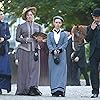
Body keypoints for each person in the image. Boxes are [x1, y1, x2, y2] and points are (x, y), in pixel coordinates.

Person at [16, 6, 43, 96]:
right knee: (24, 70)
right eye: (27, 15)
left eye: (31, 15)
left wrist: (39, 39)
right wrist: (26, 39)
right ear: (25, 16)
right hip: (24, 50)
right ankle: (23, 89)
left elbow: (42, 38)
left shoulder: (38, 26)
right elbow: (17, 38)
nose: (29, 16)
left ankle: (33, 88)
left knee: (35, 70)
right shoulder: (21, 26)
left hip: (35, 50)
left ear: (33, 16)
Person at [47, 16, 68, 97]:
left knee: (62, 72)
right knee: (53, 72)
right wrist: (53, 50)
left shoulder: (64, 34)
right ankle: (54, 90)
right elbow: (48, 43)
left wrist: (59, 50)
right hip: (52, 55)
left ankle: (61, 90)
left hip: (62, 55)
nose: (58, 24)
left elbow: (65, 43)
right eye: (56, 22)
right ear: (53, 23)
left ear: (61, 24)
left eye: (59, 23)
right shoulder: (49, 34)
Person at [85, 8, 100, 98]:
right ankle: (95, 91)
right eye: (94, 17)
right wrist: (92, 29)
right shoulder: (90, 27)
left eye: (97, 17)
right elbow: (87, 39)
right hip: (94, 52)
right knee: (93, 72)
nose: (96, 19)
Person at [0, 9, 11, 94]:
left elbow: (9, 35)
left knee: (4, 68)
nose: (1, 15)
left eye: (2, 14)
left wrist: (4, 38)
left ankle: (3, 86)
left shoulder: (5, 24)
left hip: (4, 47)